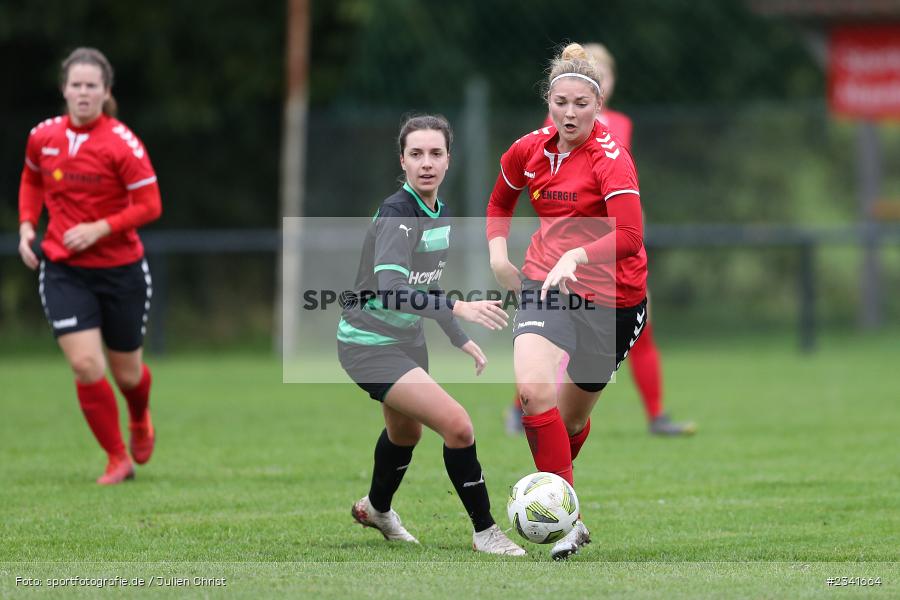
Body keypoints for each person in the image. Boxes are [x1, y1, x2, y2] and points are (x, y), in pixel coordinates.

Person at [486, 42, 649, 560]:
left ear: (598, 107)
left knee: (571, 422)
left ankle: (554, 494)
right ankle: (568, 520)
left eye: (582, 103)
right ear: (548, 102)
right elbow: (499, 200)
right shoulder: (529, 148)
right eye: (561, 102)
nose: (570, 112)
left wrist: (579, 254)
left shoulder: (611, 160)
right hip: (545, 283)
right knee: (534, 395)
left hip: (615, 300)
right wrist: (497, 255)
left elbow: (630, 236)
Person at [339, 114, 525, 556]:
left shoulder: (437, 212)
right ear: (401, 161)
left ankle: (376, 509)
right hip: (369, 344)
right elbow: (392, 289)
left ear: (448, 161)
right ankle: (485, 531)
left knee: (406, 435)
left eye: (435, 153)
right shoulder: (397, 213)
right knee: (458, 426)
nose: (426, 163)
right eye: (416, 154)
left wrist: (457, 334)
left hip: (405, 341)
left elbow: (425, 283)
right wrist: (460, 308)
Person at [505, 43, 696, 437]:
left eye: (603, 76)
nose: (571, 108)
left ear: (607, 85)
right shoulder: (564, 122)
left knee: (635, 328)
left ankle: (655, 414)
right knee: (550, 338)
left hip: (618, 251)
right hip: (572, 255)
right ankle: (526, 408)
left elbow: (619, 188)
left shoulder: (619, 125)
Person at [17, 47, 161, 485]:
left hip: (121, 270)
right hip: (63, 268)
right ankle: (117, 458)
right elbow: (31, 180)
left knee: (127, 373)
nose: (82, 92)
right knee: (85, 365)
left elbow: (150, 205)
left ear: (105, 91)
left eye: (91, 86)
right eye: (75, 85)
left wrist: (100, 228)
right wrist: (27, 225)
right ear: (64, 89)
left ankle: (139, 416)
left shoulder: (122, 143)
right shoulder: (42, 136)